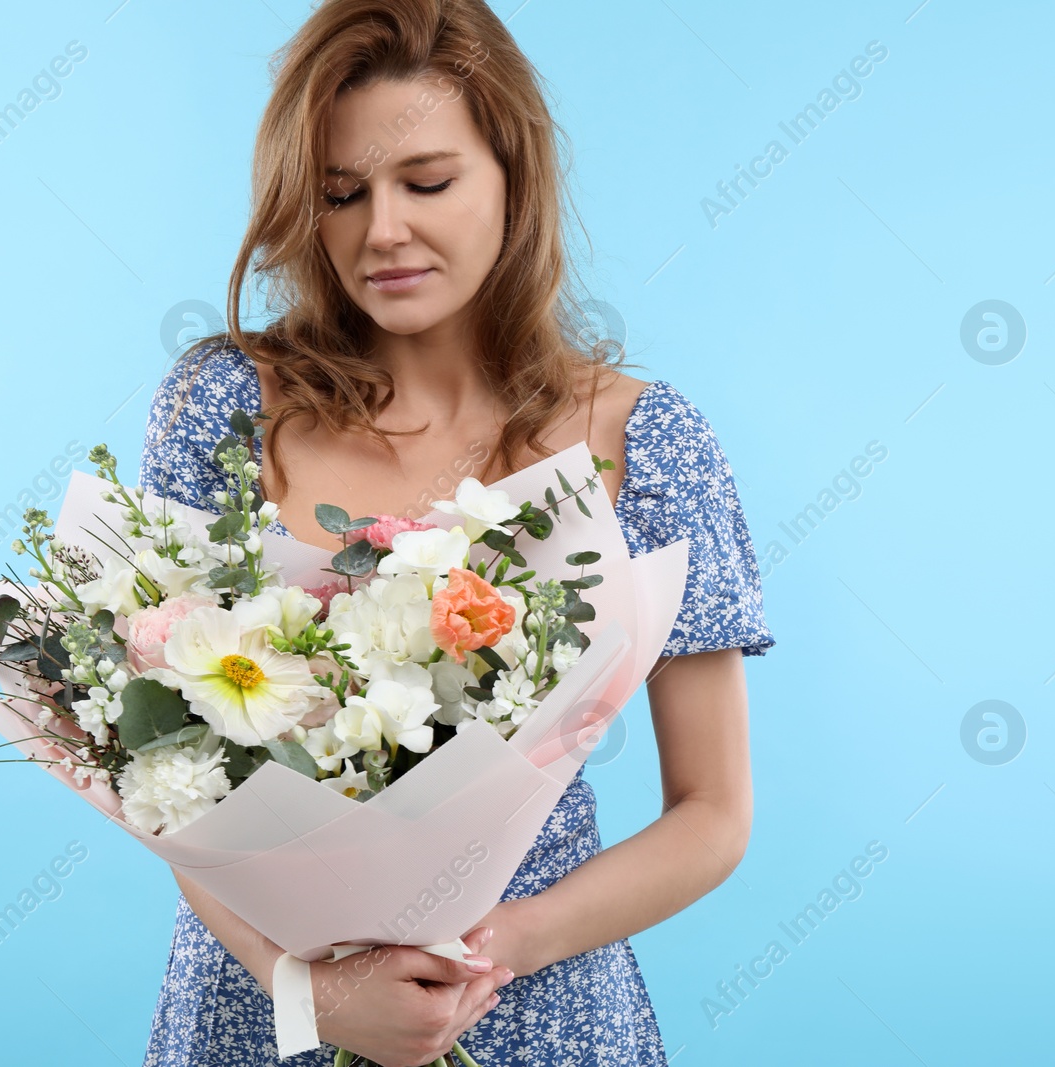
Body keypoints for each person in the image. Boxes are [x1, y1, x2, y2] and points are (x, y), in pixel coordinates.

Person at [136, 1, 774, 1063]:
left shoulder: (642, 439)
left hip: (534, 1012)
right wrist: (311, 989)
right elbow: (161, 772)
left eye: (426, 182)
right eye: (341, 194)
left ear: (513, 180)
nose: (381, 228)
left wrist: (488, 950)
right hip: (263, 1013)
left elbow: (711, 810)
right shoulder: (223, 407)